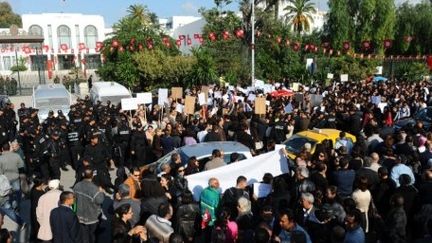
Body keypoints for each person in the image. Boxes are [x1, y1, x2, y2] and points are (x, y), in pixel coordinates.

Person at [73, 168, 105, 243]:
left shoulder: (77, 186)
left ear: (83, 175)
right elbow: (100, 200)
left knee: (84, 236)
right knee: (92, 235)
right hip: (92, 217)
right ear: (92, 176)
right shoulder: (95, 189)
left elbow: (74, 200)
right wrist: (101, 192)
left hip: (80, 216)